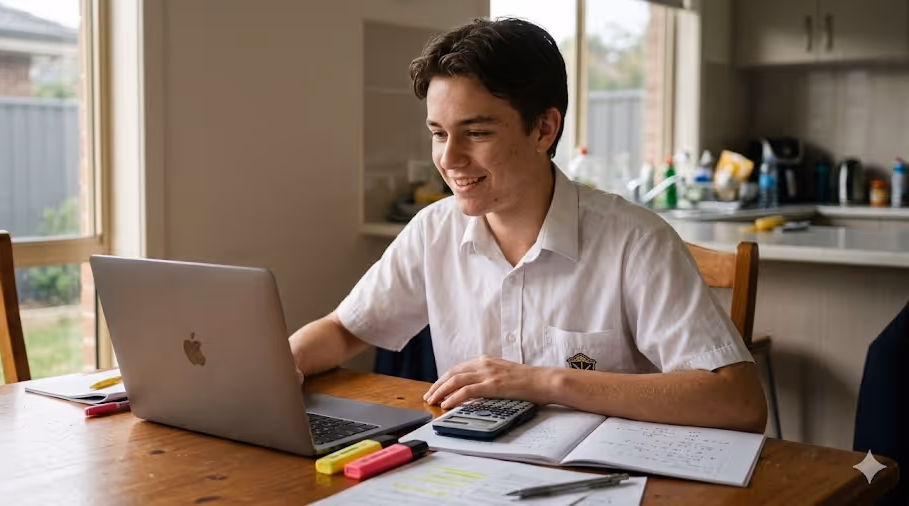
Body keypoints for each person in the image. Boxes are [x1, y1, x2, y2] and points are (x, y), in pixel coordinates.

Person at [290, 18, 767, 433]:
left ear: (544, 129)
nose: (449, 159)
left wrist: (542, 381)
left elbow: (738, 401)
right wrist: (279, 367)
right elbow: (345, 329)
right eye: (439, 134)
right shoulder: (433, 230)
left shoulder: (636, 239)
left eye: (476, 133)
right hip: (468, 471)